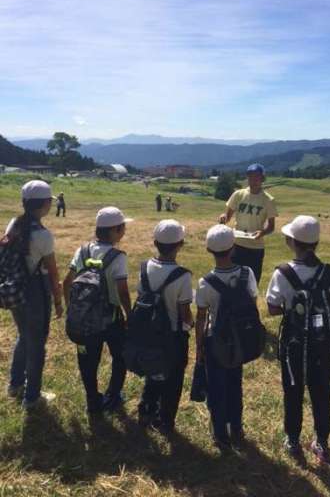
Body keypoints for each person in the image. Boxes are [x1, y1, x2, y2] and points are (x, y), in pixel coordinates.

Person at [266, 215, 330, 463]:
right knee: (322, 393)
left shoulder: (283, 273)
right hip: (324, 345)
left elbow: (272, 308)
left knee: (293, 391)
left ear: (291, 242)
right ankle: (321, 441)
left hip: (294, 343)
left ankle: (292, 440)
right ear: (316, 243)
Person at [63, 206, 132, 414]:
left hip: (84, 320)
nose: (124, 231)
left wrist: (72, 309)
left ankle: (92, 400)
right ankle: (113, 395)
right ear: (114, 230)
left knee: (87, 362)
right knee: (119, 356)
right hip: (112, 319)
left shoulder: (82, 250)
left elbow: (66, 282)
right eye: (122, 227)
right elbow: (123, 292)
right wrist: (130, 315)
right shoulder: (118, 257)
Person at [196, 224, 258, 450]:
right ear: (233, 248)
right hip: (240, 339)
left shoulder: (205, 282)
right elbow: (252, 304)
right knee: (235, 383)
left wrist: (199, 347)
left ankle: (220, 432)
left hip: (215, 341)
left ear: (209, 250)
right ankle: (237, 427)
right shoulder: (247, 274)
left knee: (216, 387)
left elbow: (201, 318)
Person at [5, 180, 63, 410]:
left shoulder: (14, 223)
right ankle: (32, 397)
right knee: (37, 344)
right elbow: (53, 273)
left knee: (23, 335)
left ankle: (15, 384)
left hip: (15, 288)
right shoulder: (43, 235)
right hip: (35, 291)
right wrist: (58, 300)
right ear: (45, 204)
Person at [137, 219, 193, 435]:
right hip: (173, 336)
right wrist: (191, 324)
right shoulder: (183, 275)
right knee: (173, 380)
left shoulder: (144, 267)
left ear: (155, 243)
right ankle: (165, 420)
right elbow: (185, 313)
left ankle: (146, 410)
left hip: (149, 332)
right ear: (180, 245)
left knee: (153, 373)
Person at [219, 163, 277, 284]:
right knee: (232, 281)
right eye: (251, 176)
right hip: (236, 244)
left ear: (262, 179)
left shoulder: (268, 200)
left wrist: (262, 232)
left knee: (252, 283)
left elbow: (271, 227)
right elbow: (227, 216)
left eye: (257, 177)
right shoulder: (238, 194)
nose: (253, 180)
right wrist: (223, 217)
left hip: (256, 248)